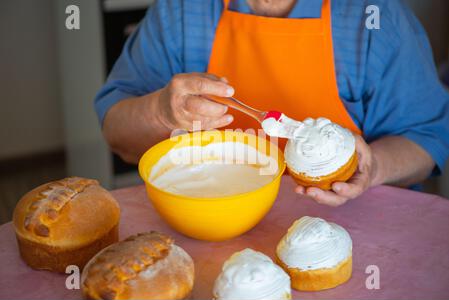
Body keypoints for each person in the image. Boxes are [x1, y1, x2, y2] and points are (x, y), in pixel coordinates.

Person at [95, 0, 449, 206]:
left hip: (351, 238)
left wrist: (374, 168)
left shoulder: (375, 17)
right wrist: (159, 112)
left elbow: (428, 138)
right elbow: (117, 134)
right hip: (208, 231)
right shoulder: (180, 12)